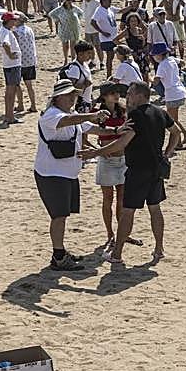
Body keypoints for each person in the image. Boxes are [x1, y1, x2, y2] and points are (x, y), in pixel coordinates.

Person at [80, 81, 181, 267]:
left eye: (130, 94)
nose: (127, 97)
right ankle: (159, 249)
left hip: (137, 169)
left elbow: (122, 143)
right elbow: (176, 133)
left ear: (139, 95)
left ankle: (117, 253)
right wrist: (166, 154)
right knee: (155, 209)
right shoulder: (160, 112)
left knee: (128, 212)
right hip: (156, 168)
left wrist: (94, 153)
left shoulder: (136, 115)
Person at [35, 79, 106, 270]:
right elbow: (69, 121)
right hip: (52, 174)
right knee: (58, 216)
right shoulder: (51, 115)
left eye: (74, 94)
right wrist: (92, 115)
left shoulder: (71, 114)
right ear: (57, 98)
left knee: (62, 215)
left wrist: (116, 131)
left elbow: (90, 128)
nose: (73, 98)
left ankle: (60, 252)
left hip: (65, 173)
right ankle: (58, 257)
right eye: (69, 95)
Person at [84, 81, 130, 252]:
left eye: (117, 92)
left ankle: (120, 232)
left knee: (122, 198)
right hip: (107, 160)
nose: (116, 95)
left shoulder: (123, 110)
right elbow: (85, 134)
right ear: (104, 96)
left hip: (123, 158)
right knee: (108, 199)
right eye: (112, 93)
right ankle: (110, 233)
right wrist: (99, 151)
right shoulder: (96, 113)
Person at [0, 11, 23, 124]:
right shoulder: (6, 32)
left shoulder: (3, 30)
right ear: (9, 21)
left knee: (9, 91)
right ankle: (10, 116)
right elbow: (5, 44)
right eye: (13, 20)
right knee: (11, 92)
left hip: (8, 65)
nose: (15, 21)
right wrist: (11, 55)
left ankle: (9, 115)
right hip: (12, 65)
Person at [50, 0, 85, 64]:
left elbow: (81, 13)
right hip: (64, 29)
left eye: (70, 0)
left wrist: (77, 20)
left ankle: (73, 59)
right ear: (64, 1)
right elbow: (51, 14)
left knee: (73, 45)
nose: (69, 1)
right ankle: (66, 59)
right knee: (65, 45)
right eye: (67, 0)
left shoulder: (74, 8)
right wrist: (57, 20)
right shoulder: (60, 9)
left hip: (73, 29)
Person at [91, 0, 119, 76]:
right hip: (106, 39)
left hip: (114, 37)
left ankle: (109, 74)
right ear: (103, 1)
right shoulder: (99, 10)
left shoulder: (110, 9)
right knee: (110, 57)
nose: (110, 1)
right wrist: (102, 32)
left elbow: (121, 11)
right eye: (108, 0)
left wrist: (131, 6)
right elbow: (93, 22)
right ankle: (109, 75)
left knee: (112, 57)